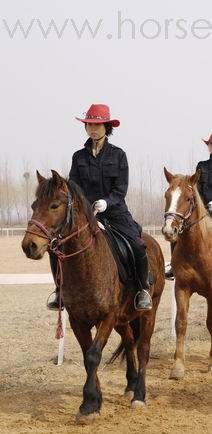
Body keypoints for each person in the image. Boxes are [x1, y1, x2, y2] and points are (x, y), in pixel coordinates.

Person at [47, 104, 152, 311]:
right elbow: (74, 186)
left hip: (114, 212)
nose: (93, 129)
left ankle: (142, 289)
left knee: (137, 245)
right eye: (89, 125)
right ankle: (60, 290)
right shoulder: (78, 157)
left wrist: (107, 202)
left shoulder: (118, 155)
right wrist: (82, 205)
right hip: (86, 214)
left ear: (107, 127)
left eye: (97, 125)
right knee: (55, 246)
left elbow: (121, 188)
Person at [165, 130, 212, 282]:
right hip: (201, 210)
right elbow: (196, 187)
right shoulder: (202, 165)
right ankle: (174, 265)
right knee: (178, 229)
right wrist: (201, 204)